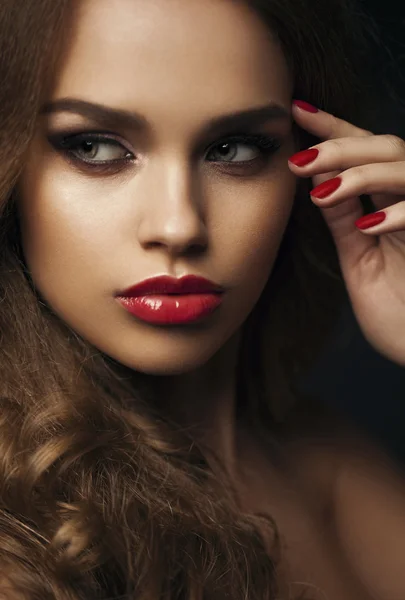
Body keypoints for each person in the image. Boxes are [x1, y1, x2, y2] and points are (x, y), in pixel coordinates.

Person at [1, 0, 405, 598]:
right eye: (95, 148)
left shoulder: (332, 466)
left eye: (235, 149)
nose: (179, 225)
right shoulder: (18, 532)